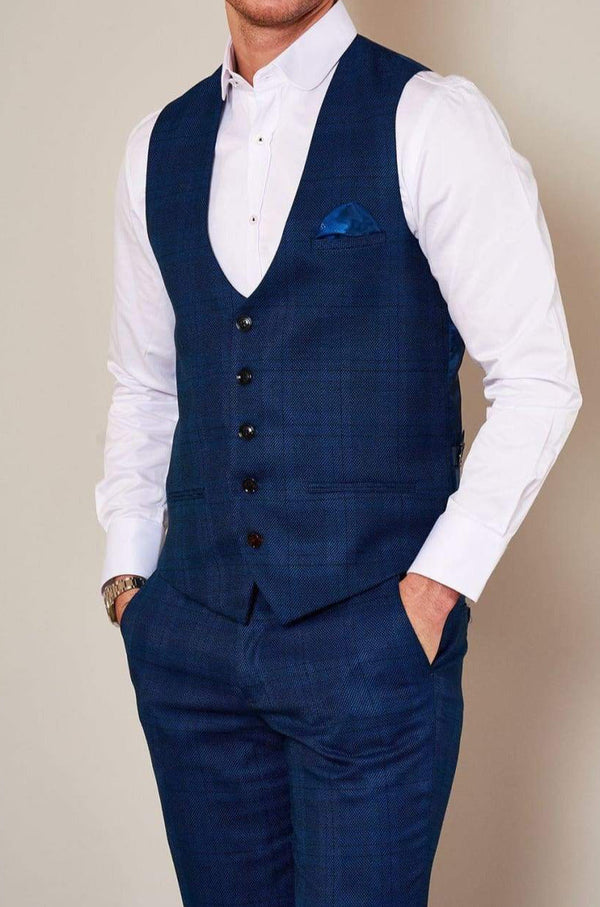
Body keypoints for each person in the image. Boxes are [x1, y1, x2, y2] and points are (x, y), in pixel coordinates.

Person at [95, 1, 582, 903]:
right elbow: (145, 384)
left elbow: (539, 378)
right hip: (192, 649)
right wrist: (130, 586)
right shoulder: (155, 148)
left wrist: (430, 597)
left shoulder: (428, 118)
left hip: (371, 650)